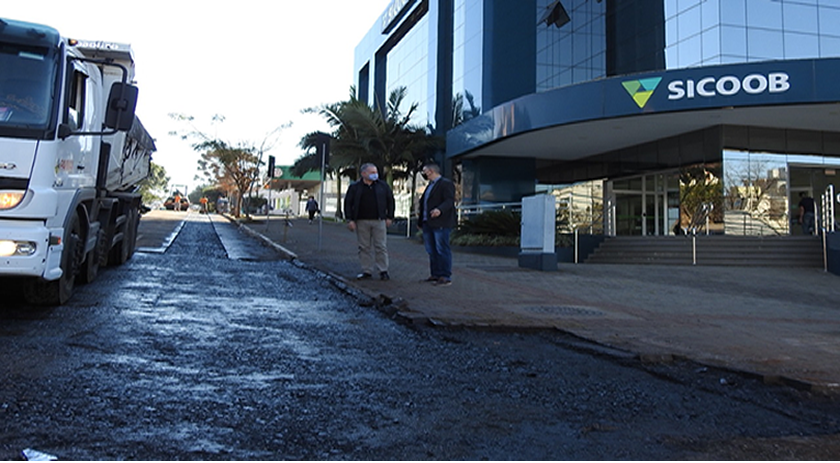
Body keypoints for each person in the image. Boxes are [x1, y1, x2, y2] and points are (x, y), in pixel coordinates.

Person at [344, 163, 395, 281]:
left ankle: (383, 270)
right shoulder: (355, 187)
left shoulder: (382, 186)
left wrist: (390, 217)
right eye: (372, 172)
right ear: (363, 173)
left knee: (381, 246)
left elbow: (390, 201)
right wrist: (350, 219)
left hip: (379, 220)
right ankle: (366, 270)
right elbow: (348, 203)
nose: (375, 175)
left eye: (375, 172)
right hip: (361, 221)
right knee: (364, 247)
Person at [417, 163, 457, 286]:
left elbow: (449, 200)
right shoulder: (430, 185)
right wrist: (420, 221)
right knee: (431, 250)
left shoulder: (445, 184)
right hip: (428, 222)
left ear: (431, 171)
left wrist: (440, 210)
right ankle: (435, 273)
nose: (423, 174)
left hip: (441, 222)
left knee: (441, 248)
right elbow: (424, 204)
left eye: (424, 171)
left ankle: (445, 275)